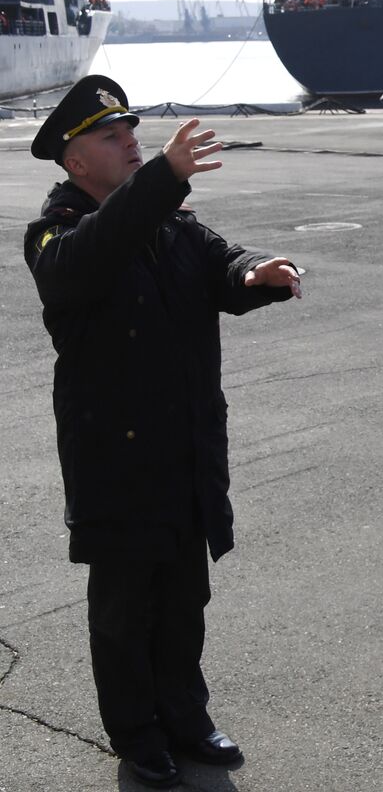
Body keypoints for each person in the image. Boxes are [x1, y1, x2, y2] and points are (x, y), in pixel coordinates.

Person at [22, 76, 303, 788]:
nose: (130, 143)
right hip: (116, 461)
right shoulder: (56, 233)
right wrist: (162, 179)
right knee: (124, 609)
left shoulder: (169, 224)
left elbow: (218, 261)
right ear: (74, 160)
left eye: (131, 132)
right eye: (111, 137)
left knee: (184, 597)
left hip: (183, 450)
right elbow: (89, 258)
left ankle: (185, 715)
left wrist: (255, 273)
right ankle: (137, 733)